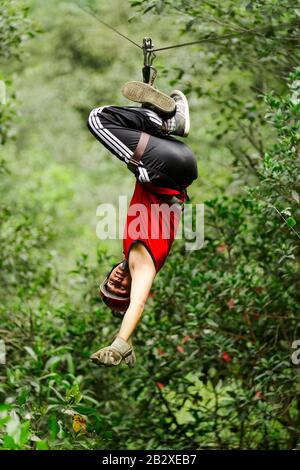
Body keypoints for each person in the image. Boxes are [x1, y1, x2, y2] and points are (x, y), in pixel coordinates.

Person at [86, 81, 198, 367]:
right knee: (98, 120)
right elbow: (137, 303)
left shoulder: (130, 249)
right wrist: (121, 342)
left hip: (168, 167)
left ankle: (156, 118)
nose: (118, 281)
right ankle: (166, 120)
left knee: (130, 144)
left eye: (111, 282)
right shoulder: (143, 263)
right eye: (121, 288)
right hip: (166, 166)